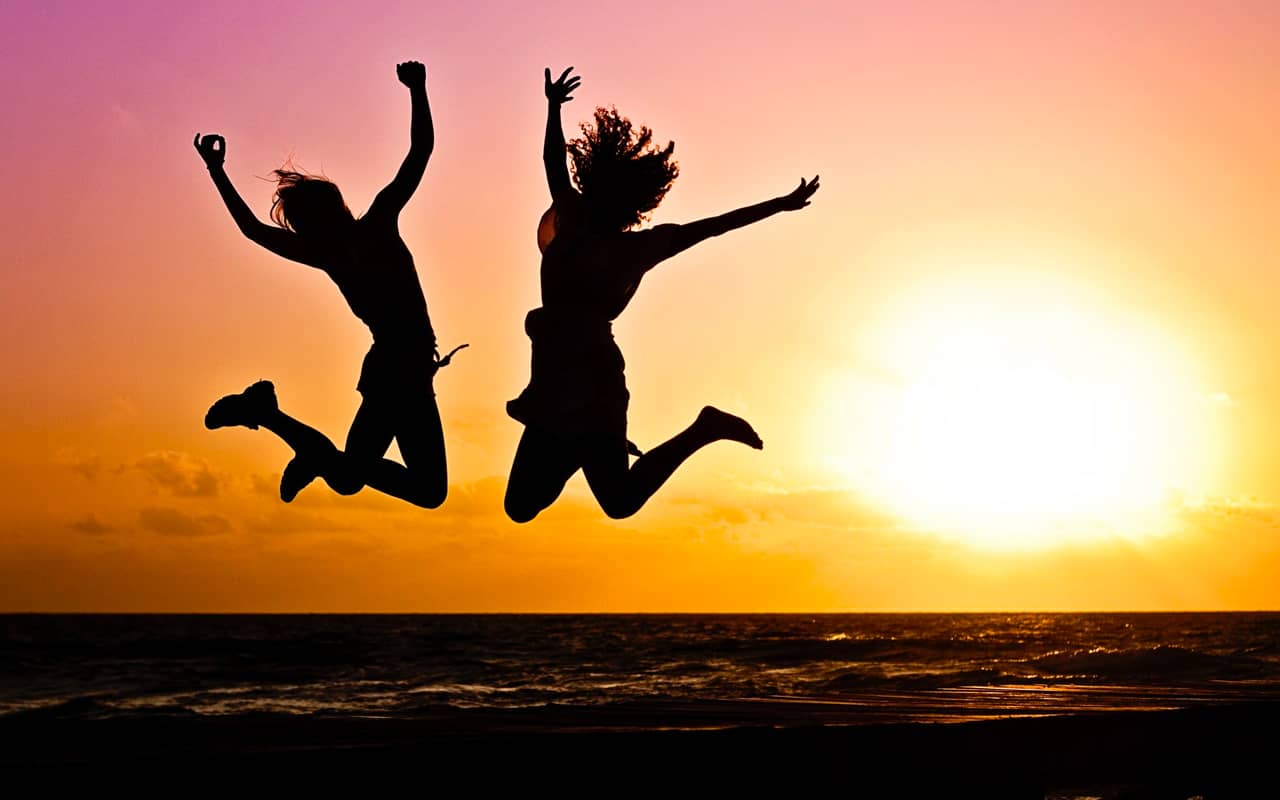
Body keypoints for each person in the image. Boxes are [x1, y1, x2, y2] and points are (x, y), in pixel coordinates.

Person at [504, 67, 819, 522]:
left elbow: (713, 227)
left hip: (592, 381)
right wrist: (552, 107)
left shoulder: (631, 246)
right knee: (520, 506)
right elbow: (553, 161)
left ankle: (702, 429)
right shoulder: (575, 219)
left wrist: (779, 205)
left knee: (618, 502)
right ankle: (584, 445)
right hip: (555, 379)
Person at [193, 60, 462, 508]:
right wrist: (418, 88)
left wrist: (216, 170)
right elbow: (420, 152)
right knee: (405, 486)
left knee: (356, 477)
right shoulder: (372, 227)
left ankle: (276, 421)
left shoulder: (333, 251)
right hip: (401, 368)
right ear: (335, 206)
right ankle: (276, 422)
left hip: (399, 367)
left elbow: (252, 230)